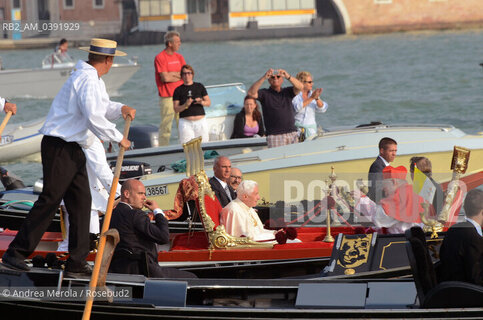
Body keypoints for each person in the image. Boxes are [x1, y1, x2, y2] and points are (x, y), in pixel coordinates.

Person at [1, 38, 136, 275]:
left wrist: (120, 108)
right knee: (50, 200)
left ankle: (76, 261)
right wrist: (118, 137)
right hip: (59, 146)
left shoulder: (93, 79)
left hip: (73, 148)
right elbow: (93, 116)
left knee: (81, 203)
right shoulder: (86, 79)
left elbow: (102, 107)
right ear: (108, 60)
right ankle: (16, 254)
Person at [109, 179, 196, 278]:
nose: (144, 197)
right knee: (192, 277)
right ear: (127, 194)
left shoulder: (110, 216)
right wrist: (157, 211)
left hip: (117, 271)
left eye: (144, 194)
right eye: (140, 193)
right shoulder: (136, 215)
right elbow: (163, 237)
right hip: (144, 271)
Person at [58, 137, 121, 251]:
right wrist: (120, 193)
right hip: (86, 201)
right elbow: (102, 171)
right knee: (89, 242)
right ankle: (60, 265)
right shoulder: (92, 141)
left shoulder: (75, 138)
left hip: (73, 197)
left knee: (72, 241)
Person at [355, 165, 426, 234]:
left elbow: (379, 216)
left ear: (393, 182)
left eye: (384, 185)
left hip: (402, 241)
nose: (383, 188)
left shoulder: (400, 196)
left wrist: (361, 199)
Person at [247, 68, 303, 148]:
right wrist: (264, 77)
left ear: (282, 79)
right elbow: (251, 93)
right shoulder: (264, 93)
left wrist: (288, 76)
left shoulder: (288, 91)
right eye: (273, 77)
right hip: (274, 136)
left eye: (278, 77)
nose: (275, 79)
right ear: (269, 80)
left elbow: (300, 87)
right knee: (278, 159)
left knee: (294, 159)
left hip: (292, 133)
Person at [439, 189, 482, 285]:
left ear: (465, 208)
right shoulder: (474, 238)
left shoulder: (452, 230)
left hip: (449, 290)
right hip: (468, 295)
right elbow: (476, 278)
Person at [154, 31, 186, 145]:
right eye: (177, 41)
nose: (180, 43)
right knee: (166, 126)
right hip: (167, 97)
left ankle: (185, 146)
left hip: (181, 96)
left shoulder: (180, 57)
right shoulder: (160, 57)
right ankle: (163, 149)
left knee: (183, 124)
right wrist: (177, 75)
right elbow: (165, 78)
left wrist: (171, 74)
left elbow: (185, 74)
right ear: (169, 43)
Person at [173, 64, 211, 144]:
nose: (187, 75)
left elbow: (208, 102)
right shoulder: (178, 90)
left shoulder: (199, 86)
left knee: (204, 145)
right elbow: (176, 109)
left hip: (200, 121)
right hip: (186, 122)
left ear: (192, 74)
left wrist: (201, 102)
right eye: (184, 73)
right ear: (181, 76)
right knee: (187, 147)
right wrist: (186, 105)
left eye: (189, 73)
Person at [292, 71, 328, 139]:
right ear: (302, 83)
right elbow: (297, 108)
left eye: (312, 81)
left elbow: (322, 109)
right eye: (309, 82)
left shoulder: (313, 94)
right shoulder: (294, 95)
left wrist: (317, 98)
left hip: (311, 131)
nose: (312, 84)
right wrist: (311, 98)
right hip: (297, 131)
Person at [367, 137, 398, 203]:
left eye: (395, 151)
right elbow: (375, 191)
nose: (394, 154)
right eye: (391, 151)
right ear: (382, 151)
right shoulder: (377, 167)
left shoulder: (385, 165)